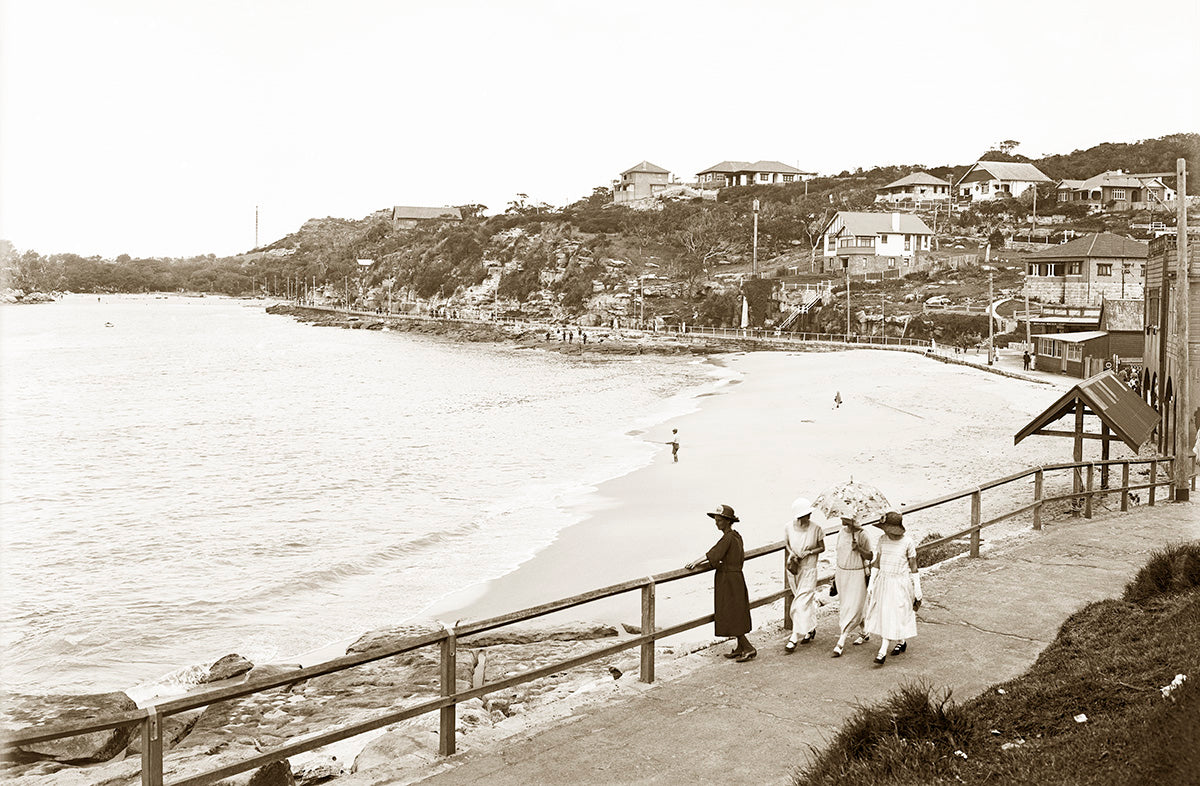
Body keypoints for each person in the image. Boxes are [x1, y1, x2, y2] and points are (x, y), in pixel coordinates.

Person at [686, 504, 755, 662]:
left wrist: (695, 562)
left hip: (728, 580)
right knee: (737, 610)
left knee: (731, 612)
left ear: (727, 521)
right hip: (736, 577)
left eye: (719, 520)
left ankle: (749, 648)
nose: (716, 523)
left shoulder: (728, 537)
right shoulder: (736, 536)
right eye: (716, 520)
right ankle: (740, 647)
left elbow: (714, 553)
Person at [863, 511, 921, 666]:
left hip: (900, 583)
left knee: (896, 612)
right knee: (887, 613)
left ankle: (882, 650)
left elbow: (913, 566)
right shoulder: (882, 540)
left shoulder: (908, 542)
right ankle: (901, 641)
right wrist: (871, 583)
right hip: (884, 581)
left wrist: (918, 590)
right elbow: (877, 563)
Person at [783, 497, 824, 652]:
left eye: (809, 514)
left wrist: (809, 552)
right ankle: (810, 628)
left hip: (809, 569)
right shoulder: (788, 527)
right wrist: (792, 553)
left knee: (800, 604)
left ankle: (794, 637)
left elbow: (822, 547)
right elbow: (786, 543)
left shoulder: (816, 529)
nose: (808, 517)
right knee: (805, 603)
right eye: (805, 514)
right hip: (794, 569)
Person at [831, 515, 873, 657]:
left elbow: (870, 556)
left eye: (845, 516)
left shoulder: (863, 534)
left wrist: (859, 548)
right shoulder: (841, 533)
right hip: (842, 573)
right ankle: (864, 631)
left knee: (852, 606)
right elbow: (839, 554)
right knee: (847, 605)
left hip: (857, 573)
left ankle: (842, 639)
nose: (841, 517)